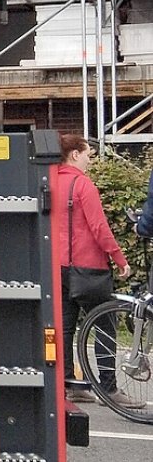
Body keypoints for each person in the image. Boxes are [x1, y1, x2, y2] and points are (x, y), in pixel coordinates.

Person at [57, 134, 144, 410]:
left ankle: (70, 385)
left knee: (65, 328)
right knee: (105, 325)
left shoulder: (51, 181)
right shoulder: (83, 185)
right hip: (89, 267)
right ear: (74, 155)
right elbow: (99, 228)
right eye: (87, 155)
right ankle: (109, 388)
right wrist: (120, 259)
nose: (89, 161)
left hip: (59, 267)